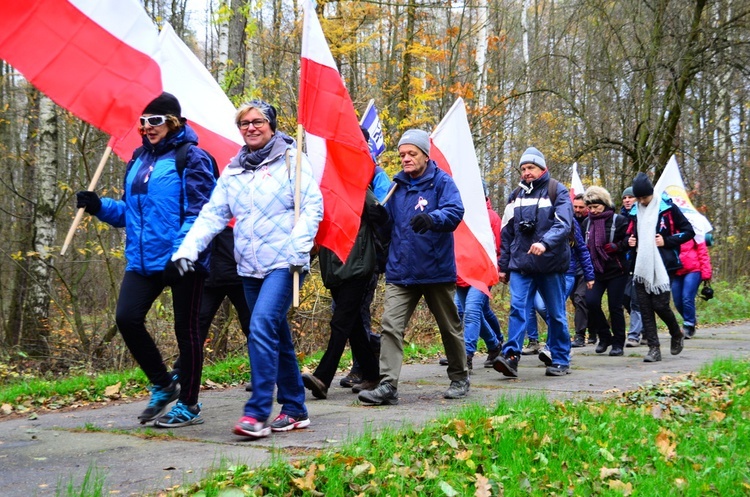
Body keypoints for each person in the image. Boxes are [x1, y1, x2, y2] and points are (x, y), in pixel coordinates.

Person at [170, 100, 323, 437]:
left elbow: (313, 206)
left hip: (286, 262)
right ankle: (296, 408)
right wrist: (188, 250)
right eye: (244, 123)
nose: (251, 128)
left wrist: (299, 248)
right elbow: (213, 214)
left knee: (261, 326)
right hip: (249, 267)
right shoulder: (234, 169)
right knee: (276, 333)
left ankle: (256, 414)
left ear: (271, 125)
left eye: (257, 121)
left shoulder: (291, 160)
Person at [75, 92, 216, 427]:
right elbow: (130, 213)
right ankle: (163, 384)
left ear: (173, 121)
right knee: (126, 318)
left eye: (155, 120)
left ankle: (189, 405)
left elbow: (202, 212)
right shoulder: (138, 159)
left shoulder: (192, 158)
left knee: (187, 332)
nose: (147, 126)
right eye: (143, 121)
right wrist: (98, 206)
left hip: (184, 260)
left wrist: (181, 253)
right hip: (142, 260)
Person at [357, 129, 468, 405]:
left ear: (425, 155)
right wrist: (378, 216)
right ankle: (387, 385)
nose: (405, 159)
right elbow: (389, 224)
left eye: (411, 154)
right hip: (400, 271)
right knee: (390, 326)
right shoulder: (397, 186)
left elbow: (455, 211)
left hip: (435, 269)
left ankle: (459, 376)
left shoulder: (442, 182)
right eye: (402, 154)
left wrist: (433, 218)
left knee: (449, 326)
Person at [493, 146, 574, 377]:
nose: (527, 172)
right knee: (518, 309)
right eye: (524, 168)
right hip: (521, 265)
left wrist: (545, 243)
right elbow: (506, 233)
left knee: (555, 313)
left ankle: (560, 358)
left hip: (550, 264)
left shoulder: (557, 191)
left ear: (542, 168)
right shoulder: (515, 196)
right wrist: (503, 266)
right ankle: (511, 356)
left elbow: (563, 224)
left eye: (531, 167)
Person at [301, 189, 387, 399]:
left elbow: (382, 217)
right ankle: (372, 373)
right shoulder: (318, 191)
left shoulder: (357, 188)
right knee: (354, 325)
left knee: (340, 323)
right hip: (333, 268)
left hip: (357, 266)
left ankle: (322, 378)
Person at [172, 224, 252, 391]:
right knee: (196, 324)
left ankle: (264, 374)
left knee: (252, 325)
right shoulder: (201, 203)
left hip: (238, 274)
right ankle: (182, 374)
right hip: (208, 275)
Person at [339, 126, 389, 389]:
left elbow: (384, 212)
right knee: (345, 313)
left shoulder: (377, 175)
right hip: (341, 257)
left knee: (356, 311)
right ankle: (373, 351)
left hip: (368, 256)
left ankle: (363, 368)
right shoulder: (339, 174)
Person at [627, 172, 694, 362]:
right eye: (638, 198)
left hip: (663, 264)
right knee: (645, 308)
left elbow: (688, 231)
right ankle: (653, 348)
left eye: (644, 197)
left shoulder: (668, 208)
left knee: (660, 305)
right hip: (639, 265)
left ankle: (676, 333)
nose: (642, 201)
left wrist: (667, 241)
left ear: (651, 193)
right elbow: (627, 236)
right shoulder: (633, 212)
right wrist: (629, 241)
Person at [581, 186, 630, 356]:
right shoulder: (586, 223)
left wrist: (617, 246)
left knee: (615, 306)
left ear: (604, 204)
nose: (593, 211)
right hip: (595, 270)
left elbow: (628, 241)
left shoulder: (619, 220)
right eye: (590, 207)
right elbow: (581, 246)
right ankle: (604, 336)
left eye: (596, 207)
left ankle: (618, 343)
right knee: (591, 302)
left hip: (617, 269)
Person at [672, 232, 712, 338]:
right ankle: (691, 319)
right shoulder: (669, 230)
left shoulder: (695, 232)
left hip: (693, 269)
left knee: (687, 297)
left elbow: (703, 253)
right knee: (677, 301)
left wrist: (706, 273)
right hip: (676, 270)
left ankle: (688, 326)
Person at [621, 187, 644, 348]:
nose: (627, 200)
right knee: (625, 297)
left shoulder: (644, 216)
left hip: (641, 262)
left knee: (636, 300)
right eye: (625, 198)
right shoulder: (621, 218)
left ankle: (634, 335)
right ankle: (646, 329)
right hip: (624, 264)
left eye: (631, 197)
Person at [571, 193, 595, 347]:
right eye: (575, 207)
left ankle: (580, 335)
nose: (578, 210)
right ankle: (594, 330)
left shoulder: (590, 223)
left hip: (587, 267)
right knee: (576, 300)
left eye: (581, 207)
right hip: (570, 267)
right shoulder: (567, 220)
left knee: (581, 298)